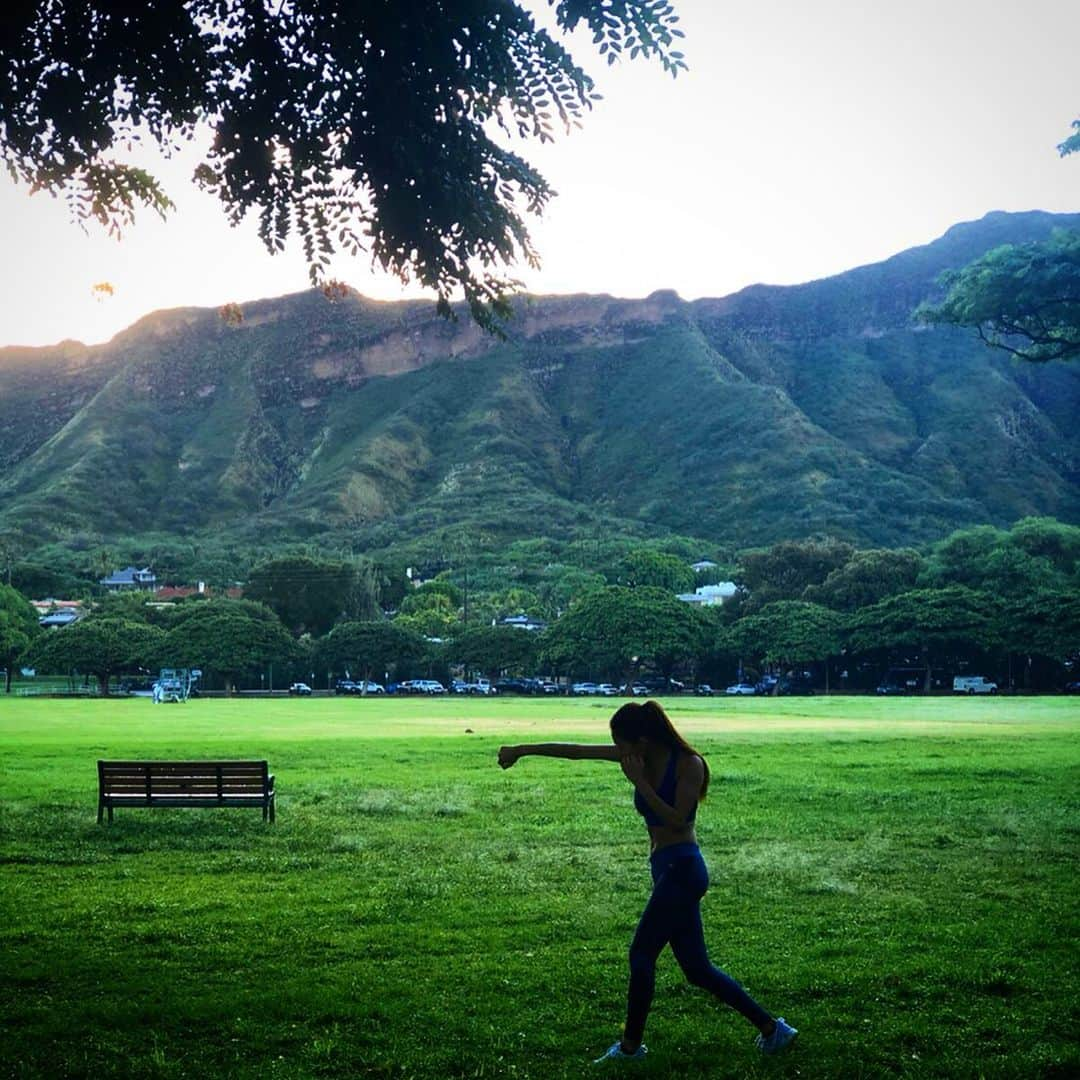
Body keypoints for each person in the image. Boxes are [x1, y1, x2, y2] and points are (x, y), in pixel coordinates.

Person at [497, 699, 797, 1063]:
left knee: (641, 955)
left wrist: (640, 783)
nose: (618, 751)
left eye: (621, 744)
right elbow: (577, 752)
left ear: (642, 740)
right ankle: (772, 1029)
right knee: (697, 969)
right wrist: (522, 750)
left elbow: (677, 821)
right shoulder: (639, 756)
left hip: (683, 869)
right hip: (668, 870)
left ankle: (630, 1047)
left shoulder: (689, 764)